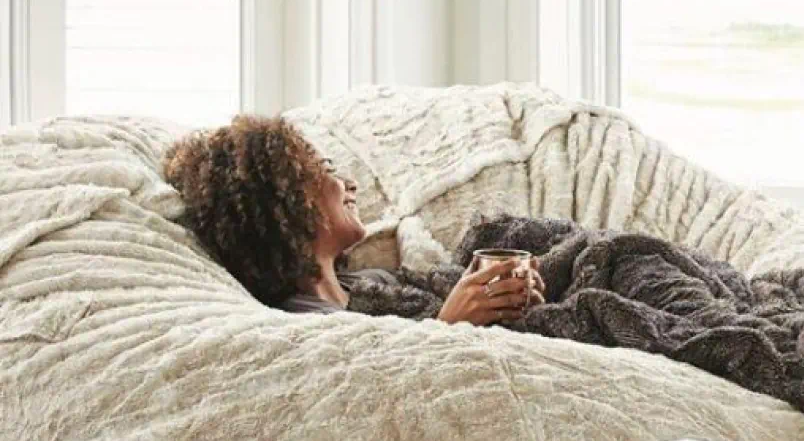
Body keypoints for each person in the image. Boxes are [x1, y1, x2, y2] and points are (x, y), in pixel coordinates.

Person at [162, 115, 541, 321]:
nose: (350, 184)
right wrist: (451, 326)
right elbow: (380, 379)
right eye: (326, 169)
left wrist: (504, 298)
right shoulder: (300, 323)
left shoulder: (373, 284)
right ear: (286, 198)